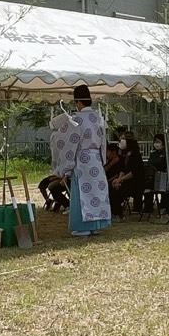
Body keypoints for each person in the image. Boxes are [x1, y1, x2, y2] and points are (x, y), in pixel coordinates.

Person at [57, 85, 111, 236]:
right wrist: (102, 158)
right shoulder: (98, 119)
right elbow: (103, 142)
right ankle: (96, 224)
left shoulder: (76, 120)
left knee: (82, 193)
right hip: (96, 158)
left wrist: (67, 165)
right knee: (96, 192)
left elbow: (69, 142)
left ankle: (83, 226)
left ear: (78, 102)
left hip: (82, 159)